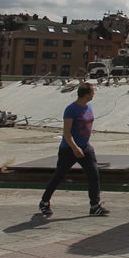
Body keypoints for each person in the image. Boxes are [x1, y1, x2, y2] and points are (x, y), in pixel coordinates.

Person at [39, 81, 109, 217]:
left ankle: (95, 206)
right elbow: (66, 133)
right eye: (92, 92)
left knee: (93, 174)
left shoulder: (89, 107)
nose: (94, 93)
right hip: (69, 149)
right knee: (59, 176)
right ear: (86, 94)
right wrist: (75, 148)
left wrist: (85, 142)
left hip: (85, 148)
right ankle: (44, 201)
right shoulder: (71, 109)